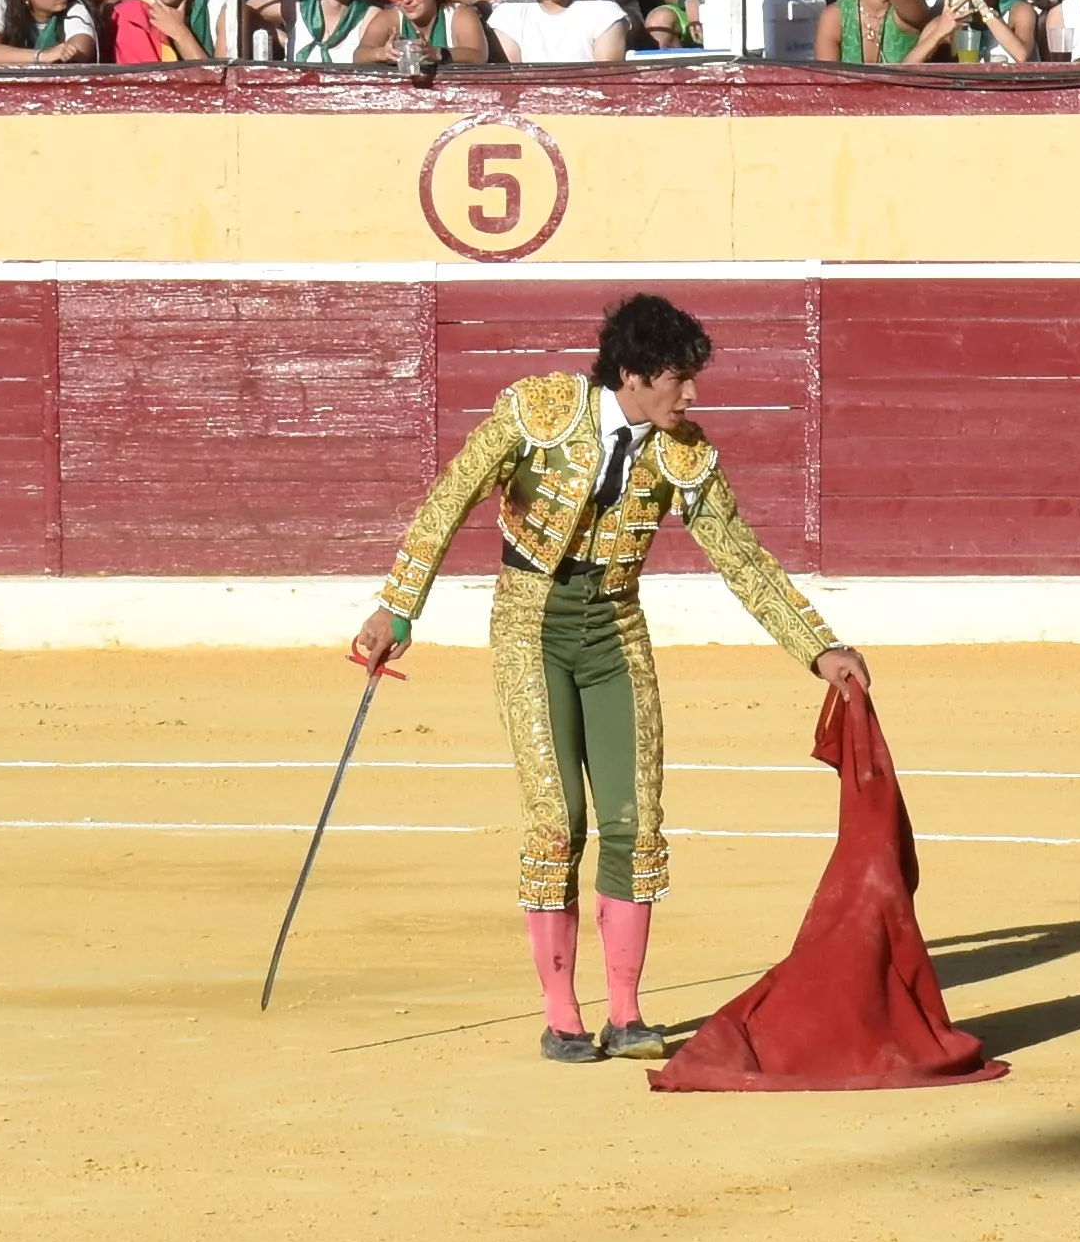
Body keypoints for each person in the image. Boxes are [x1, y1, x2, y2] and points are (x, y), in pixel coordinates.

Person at [353, 294, 869, 1065]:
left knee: (635, 821)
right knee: (558, 819)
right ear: (633, 374)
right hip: (531, 626)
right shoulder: (540, 411)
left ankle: (625, 1013)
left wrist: (818, 647)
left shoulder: (683, 453)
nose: (690, 395)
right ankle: (562, 1014)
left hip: (616, 634)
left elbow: (742, 558)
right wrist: (398, 608)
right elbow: (450, 498)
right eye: (678, 379)